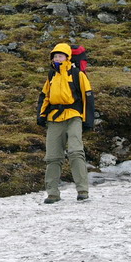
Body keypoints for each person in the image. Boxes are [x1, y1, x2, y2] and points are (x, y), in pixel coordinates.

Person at [36, 42, 95, 204]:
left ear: (67, 57)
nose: (57, 58)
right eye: (55, 56)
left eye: (60, 56)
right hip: (54, 119)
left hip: (74, 116)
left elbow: (87, 97)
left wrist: (88, 121)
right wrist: (41, 115)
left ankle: (82, 191)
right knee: (52, 157)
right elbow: (45, 97)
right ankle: (52, 194)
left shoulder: (77, 74)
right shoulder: (51, 75)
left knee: (76, 152)